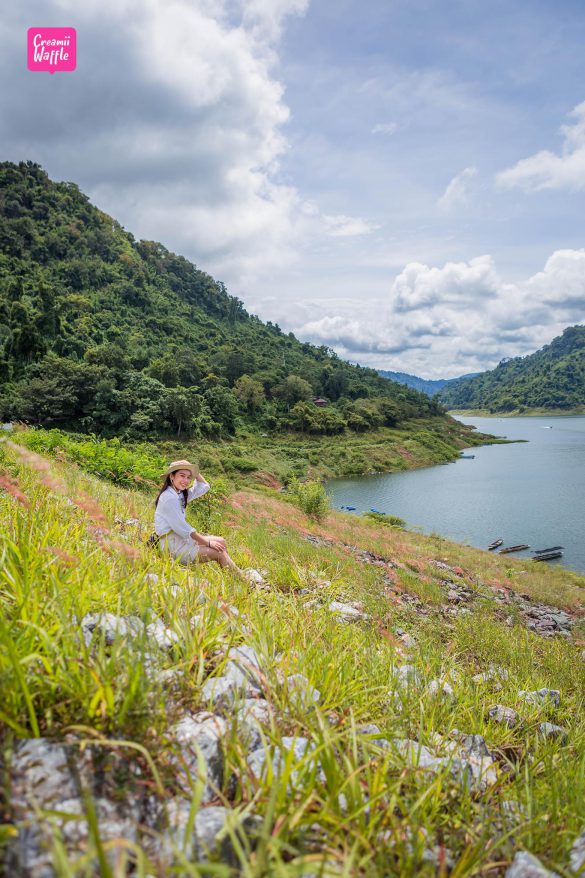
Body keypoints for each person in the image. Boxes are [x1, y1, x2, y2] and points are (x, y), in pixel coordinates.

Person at [154, 459, 243, 576]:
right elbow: (184, 529)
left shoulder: (179, 494)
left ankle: (232, 572)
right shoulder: (169, 498)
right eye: (182, 476)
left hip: (180, 540)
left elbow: (204, 486)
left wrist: (192, 469)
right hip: (173, 547)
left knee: (221, 541)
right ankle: (242, 580)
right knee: (219, 552)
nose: (186, 481)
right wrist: (207, 543)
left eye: (189, 477)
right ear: (172, 476)